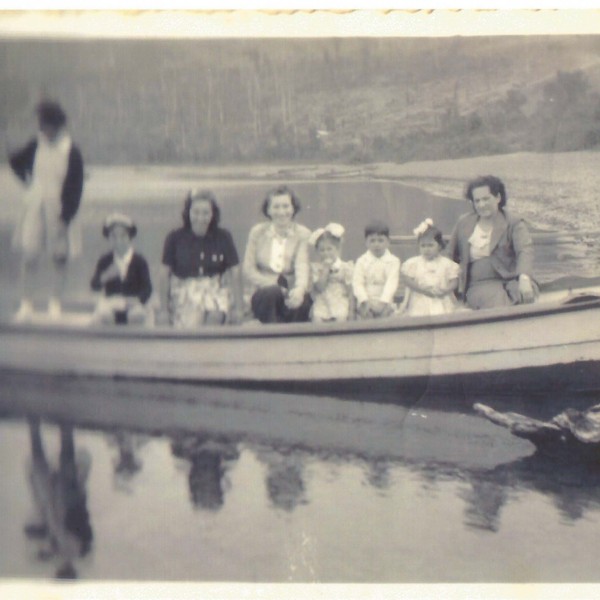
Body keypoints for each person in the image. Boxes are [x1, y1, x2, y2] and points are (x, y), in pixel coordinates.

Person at [9, 100, 84, 322]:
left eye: (47, 127)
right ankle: (26, 304)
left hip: (59, 209)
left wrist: (65, 217)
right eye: (41, 127)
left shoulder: (71, 150)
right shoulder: (36, 144)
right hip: (35, 206)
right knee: (30, 255)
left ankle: (55, 304)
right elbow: (15, 162)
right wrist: (27, 180)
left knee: (59, 257)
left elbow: (75, 187)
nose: (44, 131)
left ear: (58, 125)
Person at [446, 175, 537, 310]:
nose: (482, 205)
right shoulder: (464, 222)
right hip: (479, 285)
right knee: (497, 302)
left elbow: (525, 250)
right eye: (477, 201)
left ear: (498, 198)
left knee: (523, 294)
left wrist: (524, 279)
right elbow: (449, 254)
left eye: (486, 199)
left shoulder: (513, 222)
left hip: (512, 279)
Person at [157, 189, 243, 328]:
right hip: (184, 291)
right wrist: (163, 310)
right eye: (195, 212)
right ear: (188, 212)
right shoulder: (174, 237)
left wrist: (239, 308)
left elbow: (235, 271)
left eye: (205, 213)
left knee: (215, 317)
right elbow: (164, 274)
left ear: (213, 214)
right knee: (193, 323)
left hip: (215, 289)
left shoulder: (223, 237)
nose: (200, 218)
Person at [243, 185, 312, 324]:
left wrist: (299, 290)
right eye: (276, 207)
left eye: (286, 206)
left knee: (303, 301)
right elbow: (248, 270)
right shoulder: (257, 232)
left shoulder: (303, 234)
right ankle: (271, 336)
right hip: (264, 292)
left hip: (291, 292)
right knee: (271, 293)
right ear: (268, 210)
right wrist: (274, 286)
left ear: (293, 208)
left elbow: (302, 265)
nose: (281, 212)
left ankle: (293, 342)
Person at [90, 213, 152, 325]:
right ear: (109, 238)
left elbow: (147, 289)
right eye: (113, 236)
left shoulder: (139, 261)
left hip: (133, 306)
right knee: (102, 316)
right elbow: (94, 285)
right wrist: (106, 276)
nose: (118, 241)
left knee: (138, 316)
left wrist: (137, 300)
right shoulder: (105, 260)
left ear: (130, 238)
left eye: (123, 236)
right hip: (112, 305)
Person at [400, 218, 459, 317]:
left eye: (430, 245)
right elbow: (407, 280)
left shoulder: (446, 264)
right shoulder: (414, 263)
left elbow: (454, 281)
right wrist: (421, 289)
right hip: (420, 297)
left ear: (439, 246)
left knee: (443, 315)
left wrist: (446, 290)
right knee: (419, 317)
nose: (426, 249)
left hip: (441, 297)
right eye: (423, 246)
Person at [352, 220, 400, 319]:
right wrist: (365, 301)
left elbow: (391, 283)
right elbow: (357, 283)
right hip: (366, 302)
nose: (376, 244)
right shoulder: (361, 261)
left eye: (380, 240)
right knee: (366, 319)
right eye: (372, 241)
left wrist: (383, 303)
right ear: (366, 242)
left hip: (385, 302)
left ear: (388, 242)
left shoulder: (393, 261)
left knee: (386, 319)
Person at [308, 223, 354, 322]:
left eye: (329, 249)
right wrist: (325, 269)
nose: (326, 253)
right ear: (317, 252)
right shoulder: (316, 268)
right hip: (322, 300)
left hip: (340, 300)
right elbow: (320, 287)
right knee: (317, 317)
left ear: (337, 249)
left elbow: (350, 290)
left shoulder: (345, 267)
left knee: (341, 317)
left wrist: (351, 310)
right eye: (322, 250)